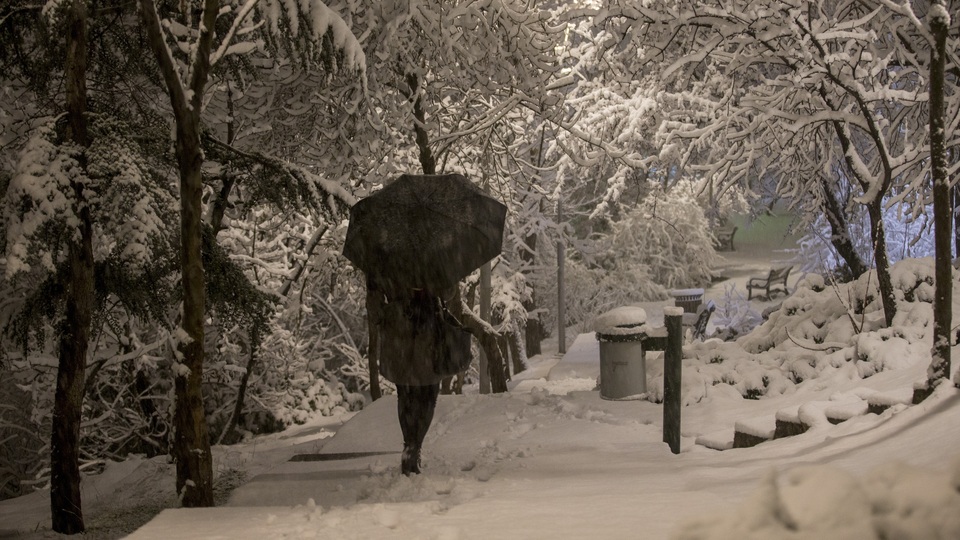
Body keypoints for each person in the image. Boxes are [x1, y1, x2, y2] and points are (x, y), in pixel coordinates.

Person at [366, 277, 471, 475]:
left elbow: (374, 301)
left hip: (403, 335)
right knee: (426, 395)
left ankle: (411, 445)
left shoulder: (384, 258)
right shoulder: (431, 257)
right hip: (424, 333)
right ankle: (414, 446)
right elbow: (449, 293)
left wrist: (388, 313)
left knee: (408, 395)